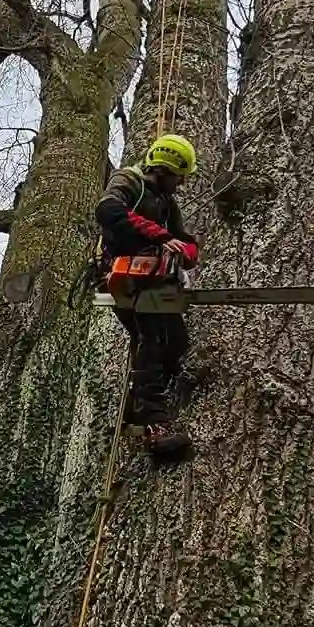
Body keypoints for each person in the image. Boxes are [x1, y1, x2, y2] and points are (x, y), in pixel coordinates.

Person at [95, 134, 200, 434]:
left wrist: (184, 253)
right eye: (178, 177)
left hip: (151, 278)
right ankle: (151, 416)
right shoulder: (129, 180)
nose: (181, 184)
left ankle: (142, 397)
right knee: (153, 335)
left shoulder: (168, 204)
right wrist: (160, 236)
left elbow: (186, 243)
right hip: (120, 272)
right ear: (164, 170)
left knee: (177, 344)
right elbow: (108, 210)